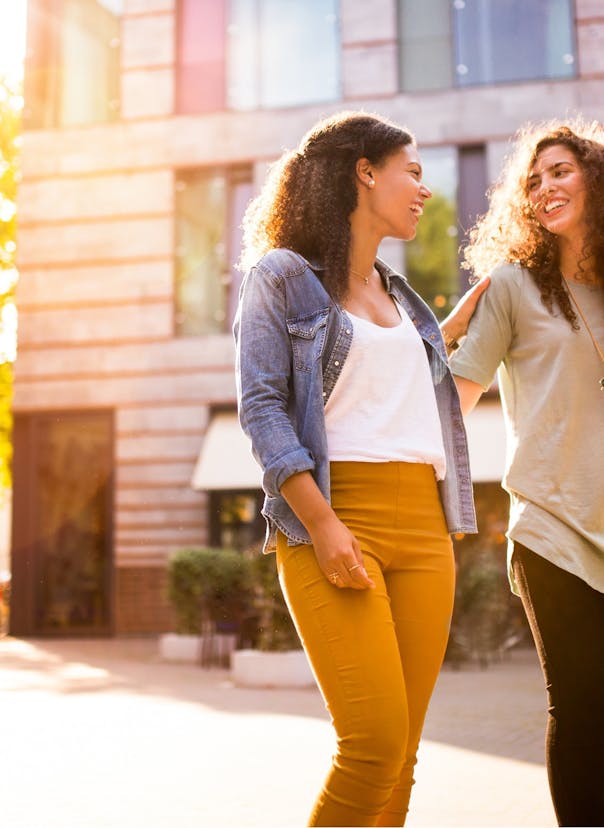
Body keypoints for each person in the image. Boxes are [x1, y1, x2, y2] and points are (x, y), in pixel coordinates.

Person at [233, 111, 478, 827]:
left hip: (426, 530)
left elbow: (430, 404)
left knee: (401, 753)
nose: (424, 191)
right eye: (414, 172)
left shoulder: (405, 300)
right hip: (337, 517)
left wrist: (469, 327)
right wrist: (322, 521)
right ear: (364, 171)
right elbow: (264, 408)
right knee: (371, 744)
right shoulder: (281, 277)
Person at [442, 120, 604, 827]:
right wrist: (440, 332)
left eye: (561, 171)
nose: (545, 188)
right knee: (581, 706)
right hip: (552, 525)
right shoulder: (512, 288)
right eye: (533, 181)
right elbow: (452, 398)